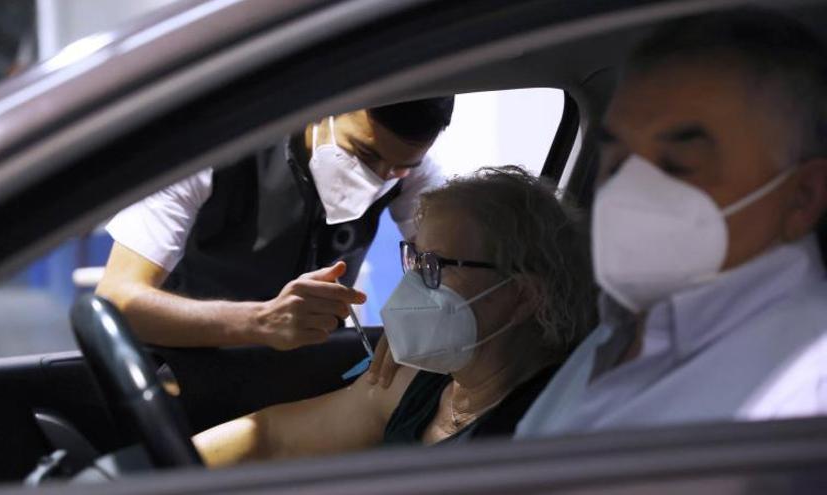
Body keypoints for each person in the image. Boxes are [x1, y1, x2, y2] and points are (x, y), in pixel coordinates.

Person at [515, 8, 827, 438]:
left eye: (679, 165)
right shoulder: (618, 331)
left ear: (801, 197)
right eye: (617, 160)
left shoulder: (805, 389)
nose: (630, 192)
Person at [193, 166, 595, 465]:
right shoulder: (420, 382)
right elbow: (272, 439)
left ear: (523, 295)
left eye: (436, 266)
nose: (415, 283)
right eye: (415, 258)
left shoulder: (551, 424)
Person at [96, 98, 453, 349]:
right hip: (192, 371)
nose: (379, 177)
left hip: (311, 380)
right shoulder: (206, 152)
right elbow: (117, 300)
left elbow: (463, 267)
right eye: (364, 154)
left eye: (399, 167)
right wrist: (259, 322)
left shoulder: (412, 172)